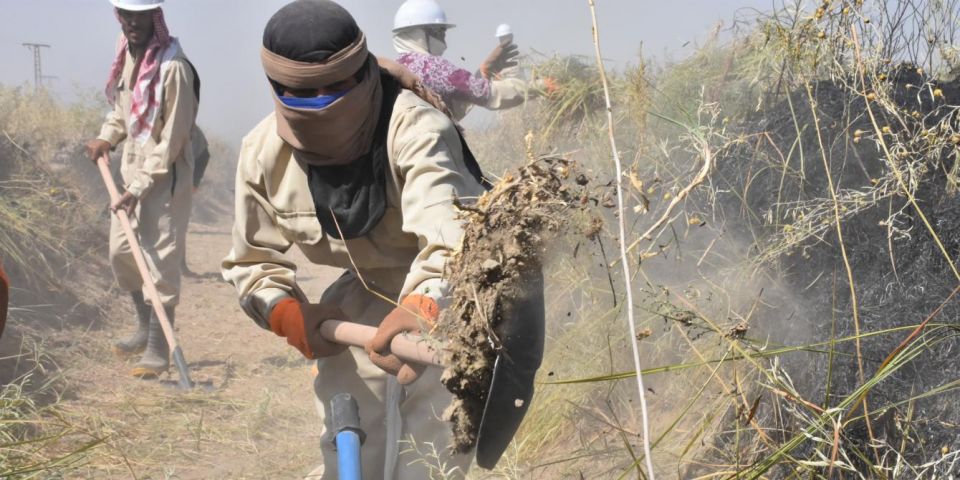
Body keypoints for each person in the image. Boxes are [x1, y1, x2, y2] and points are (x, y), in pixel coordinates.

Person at [221, 1, 486, 477]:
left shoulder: (417, 128)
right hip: (362, 292)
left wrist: (423, 308)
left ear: (363, 74)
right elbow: (251, 263)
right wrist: (286, 314)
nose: (324, 103)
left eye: (337, 86)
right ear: (278, 88)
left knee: (427, 454)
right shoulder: (262, 151)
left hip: (454, 296)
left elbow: (454, 244)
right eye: (305, 92)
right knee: (350, 444)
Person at [84, 0, 198, 378]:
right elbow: (122, 109)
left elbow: (173, 141)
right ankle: (142, 324)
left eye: (140, 15)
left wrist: (141, 184)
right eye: (126, 14)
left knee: (159, 260)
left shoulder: (174, 68)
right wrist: (106, 137)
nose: (133, 22)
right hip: (130, 172)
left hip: (164, 178)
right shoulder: (127, 52)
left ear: (156, 17)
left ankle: (158, 346)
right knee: (122, 253)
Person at [392, 0, 549, 121]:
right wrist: (541, 86)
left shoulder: (397, 69)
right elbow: (489, 94)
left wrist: (482, 72)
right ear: (420, 35)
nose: (443, 38)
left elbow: (450, 111)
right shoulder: (432, 68)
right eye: (439, 32)